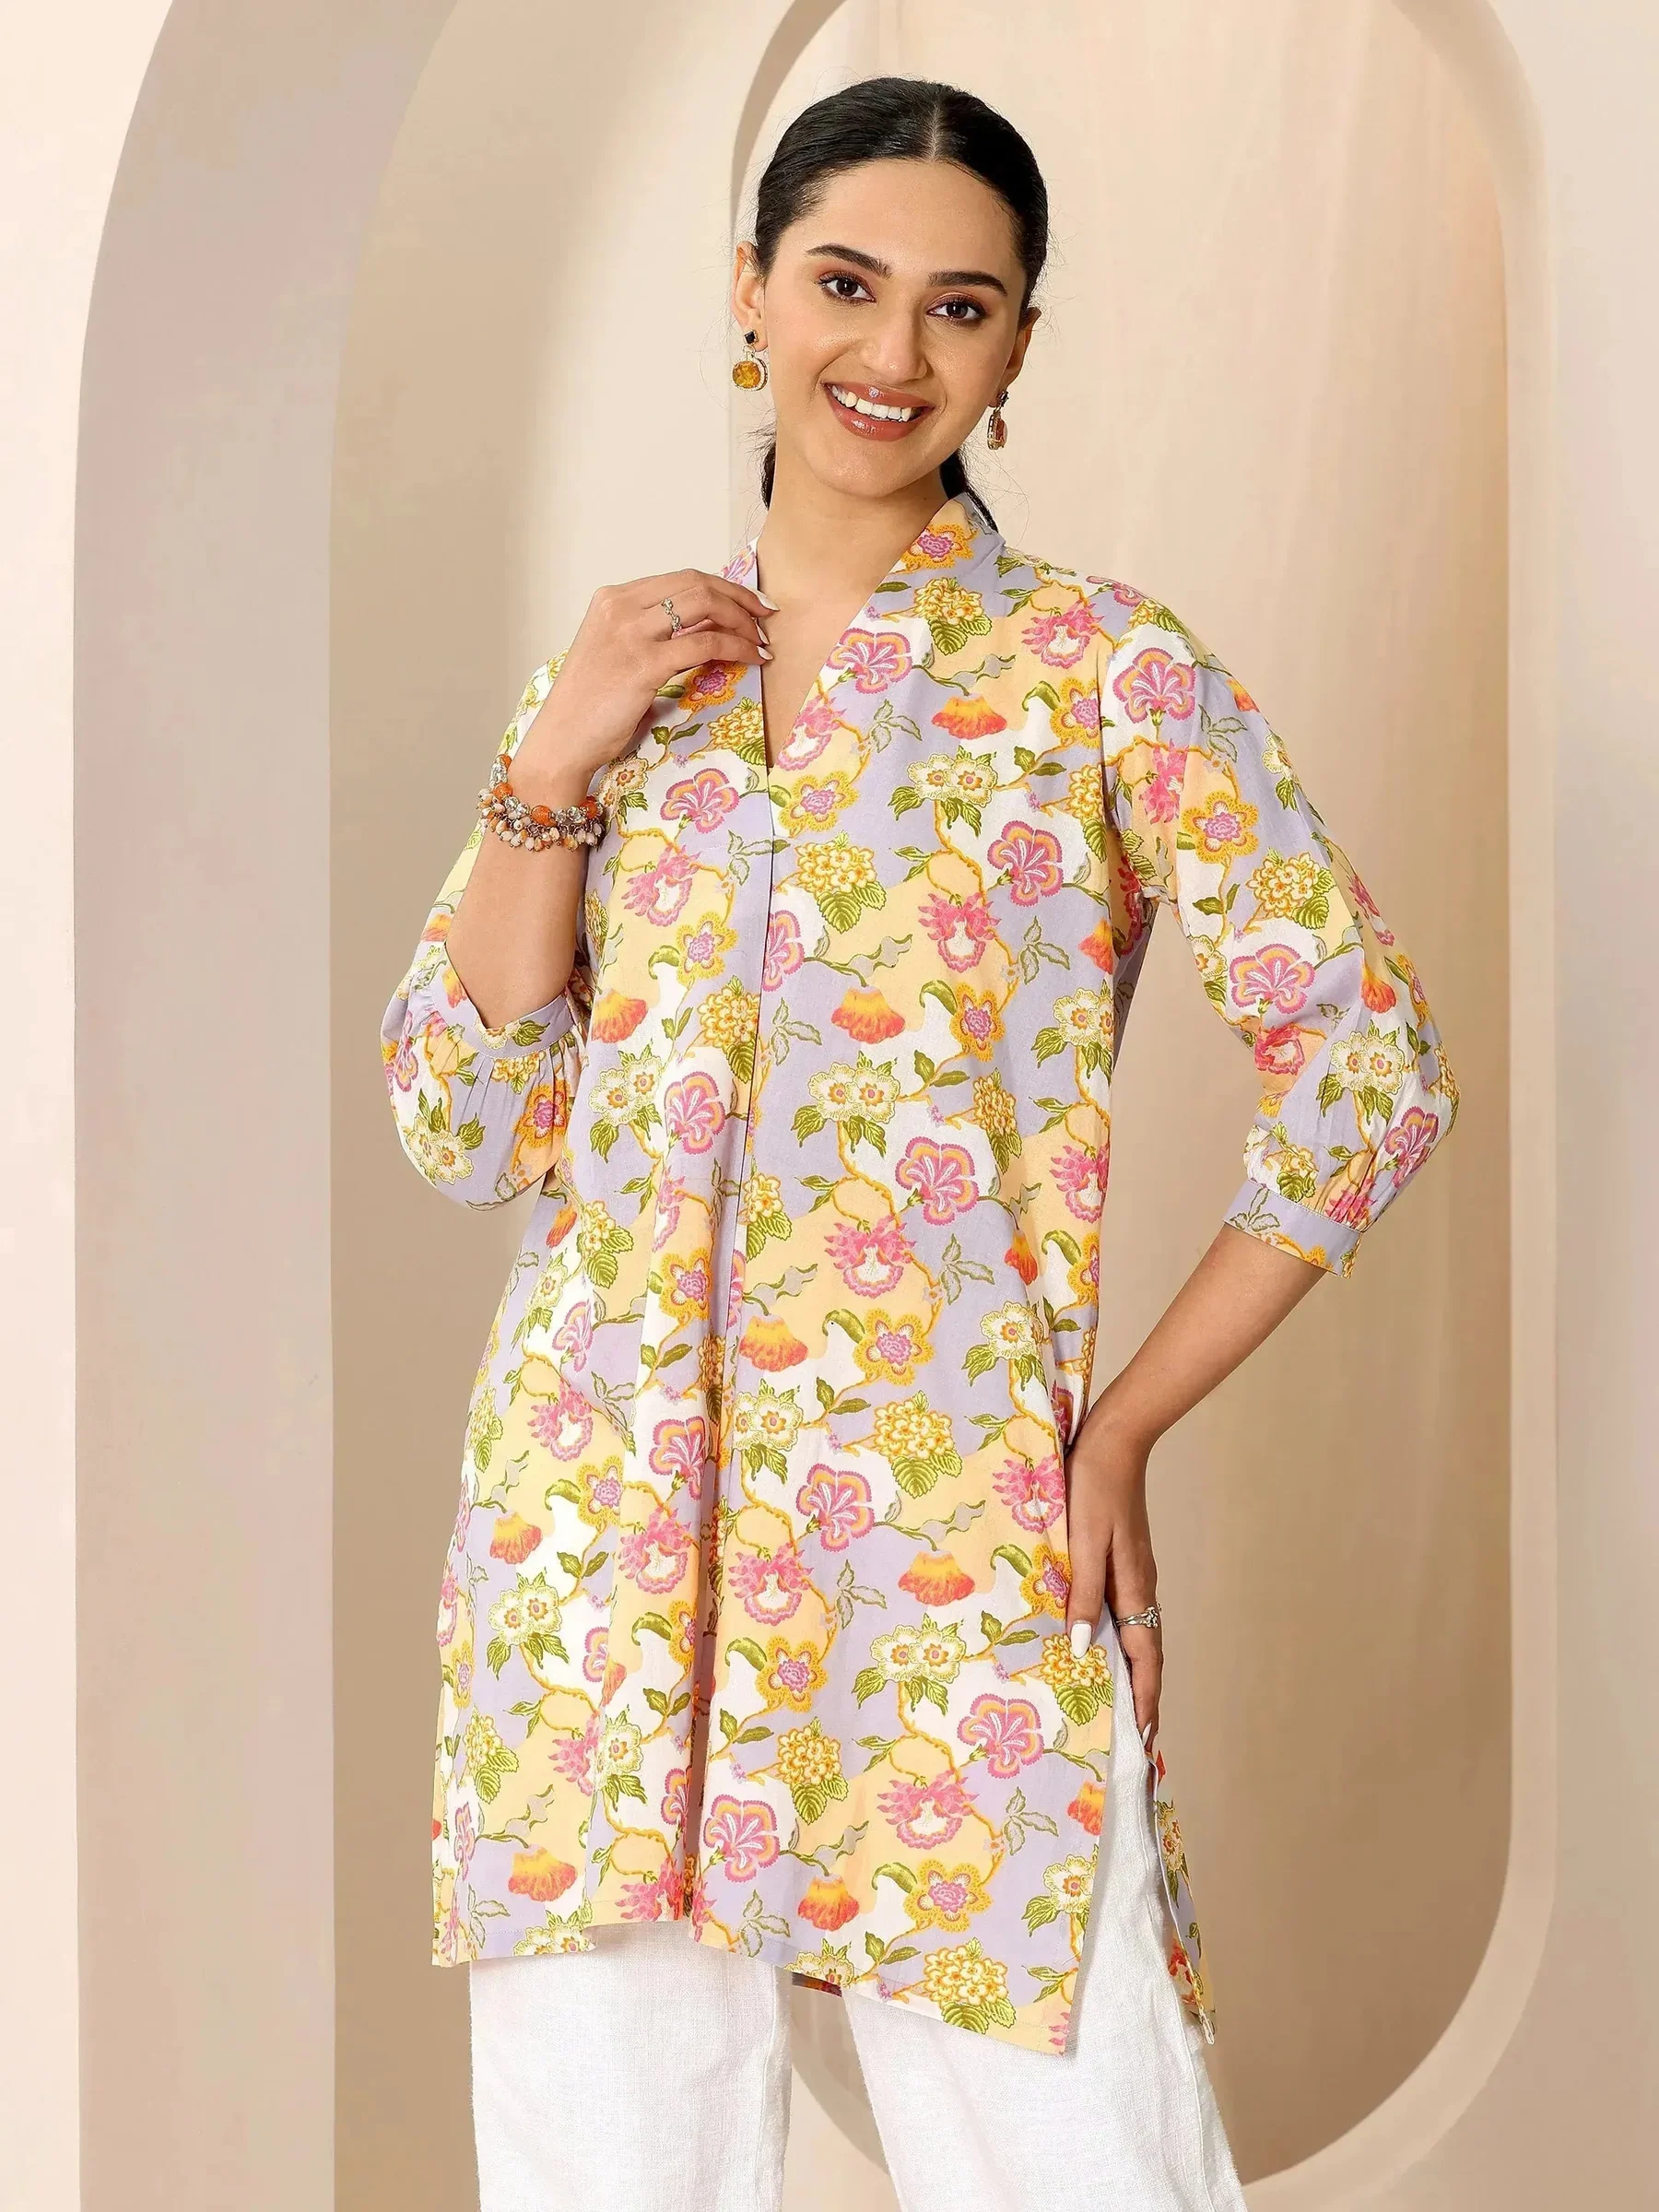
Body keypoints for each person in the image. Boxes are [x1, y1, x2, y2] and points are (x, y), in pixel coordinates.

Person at [379, 74, 1457, 2212]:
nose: (891, 353)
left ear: (1020, 345)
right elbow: (463, 1121)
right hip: (594, 1551)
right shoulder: (620, 679)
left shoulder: (1104, 676)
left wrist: (1117, 1431)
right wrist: (559, 762)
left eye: (960, 307)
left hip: (947, 1539)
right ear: (751, 293)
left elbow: (1370, 1066)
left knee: (1081, 2157)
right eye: (845, 285)